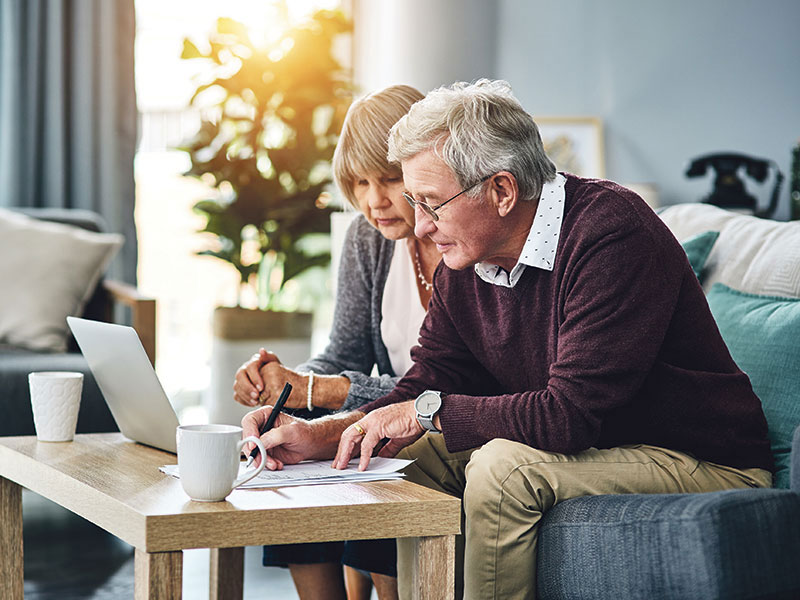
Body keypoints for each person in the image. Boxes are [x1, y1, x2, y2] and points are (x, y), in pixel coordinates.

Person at [243, 79, 773, 599]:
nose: (421, 227)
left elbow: (569, 414)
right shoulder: (467, 258)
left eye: (431, 203)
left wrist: (428, 412)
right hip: (604, 442)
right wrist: (328, 434)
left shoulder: (611, 232)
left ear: (501, 190)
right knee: (401, 462)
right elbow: (430, 379)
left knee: (503, 468)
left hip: (700, 458)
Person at [233, 84, 435, 600]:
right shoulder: (368, 239)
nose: (374, 200)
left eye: (390, 178)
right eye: (359, 182)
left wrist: (317, 389)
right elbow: (342, 356)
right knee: (290, 431)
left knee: (376, 447)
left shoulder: (462, 239)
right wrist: (285, 385)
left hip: (430, 417)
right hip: (383, 411)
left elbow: (431, 387)